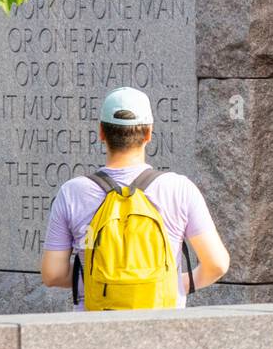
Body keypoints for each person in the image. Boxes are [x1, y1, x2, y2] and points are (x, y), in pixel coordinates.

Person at [40, 87, 229, 308]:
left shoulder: (72, 193)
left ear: (101, 133)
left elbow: (52, 273)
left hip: (94, 329)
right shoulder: (179, 189)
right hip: (162, 325)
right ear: (149, 134)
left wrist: (102, 281)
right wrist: (173, 284)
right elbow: (217, 264)